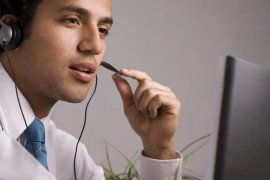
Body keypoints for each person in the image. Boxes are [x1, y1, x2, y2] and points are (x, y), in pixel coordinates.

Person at [0, 0, 183, 179]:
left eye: (103, 30)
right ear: (10, 31)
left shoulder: (71, 157)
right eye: (72, 20)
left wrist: (158, 149)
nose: (96, 46)